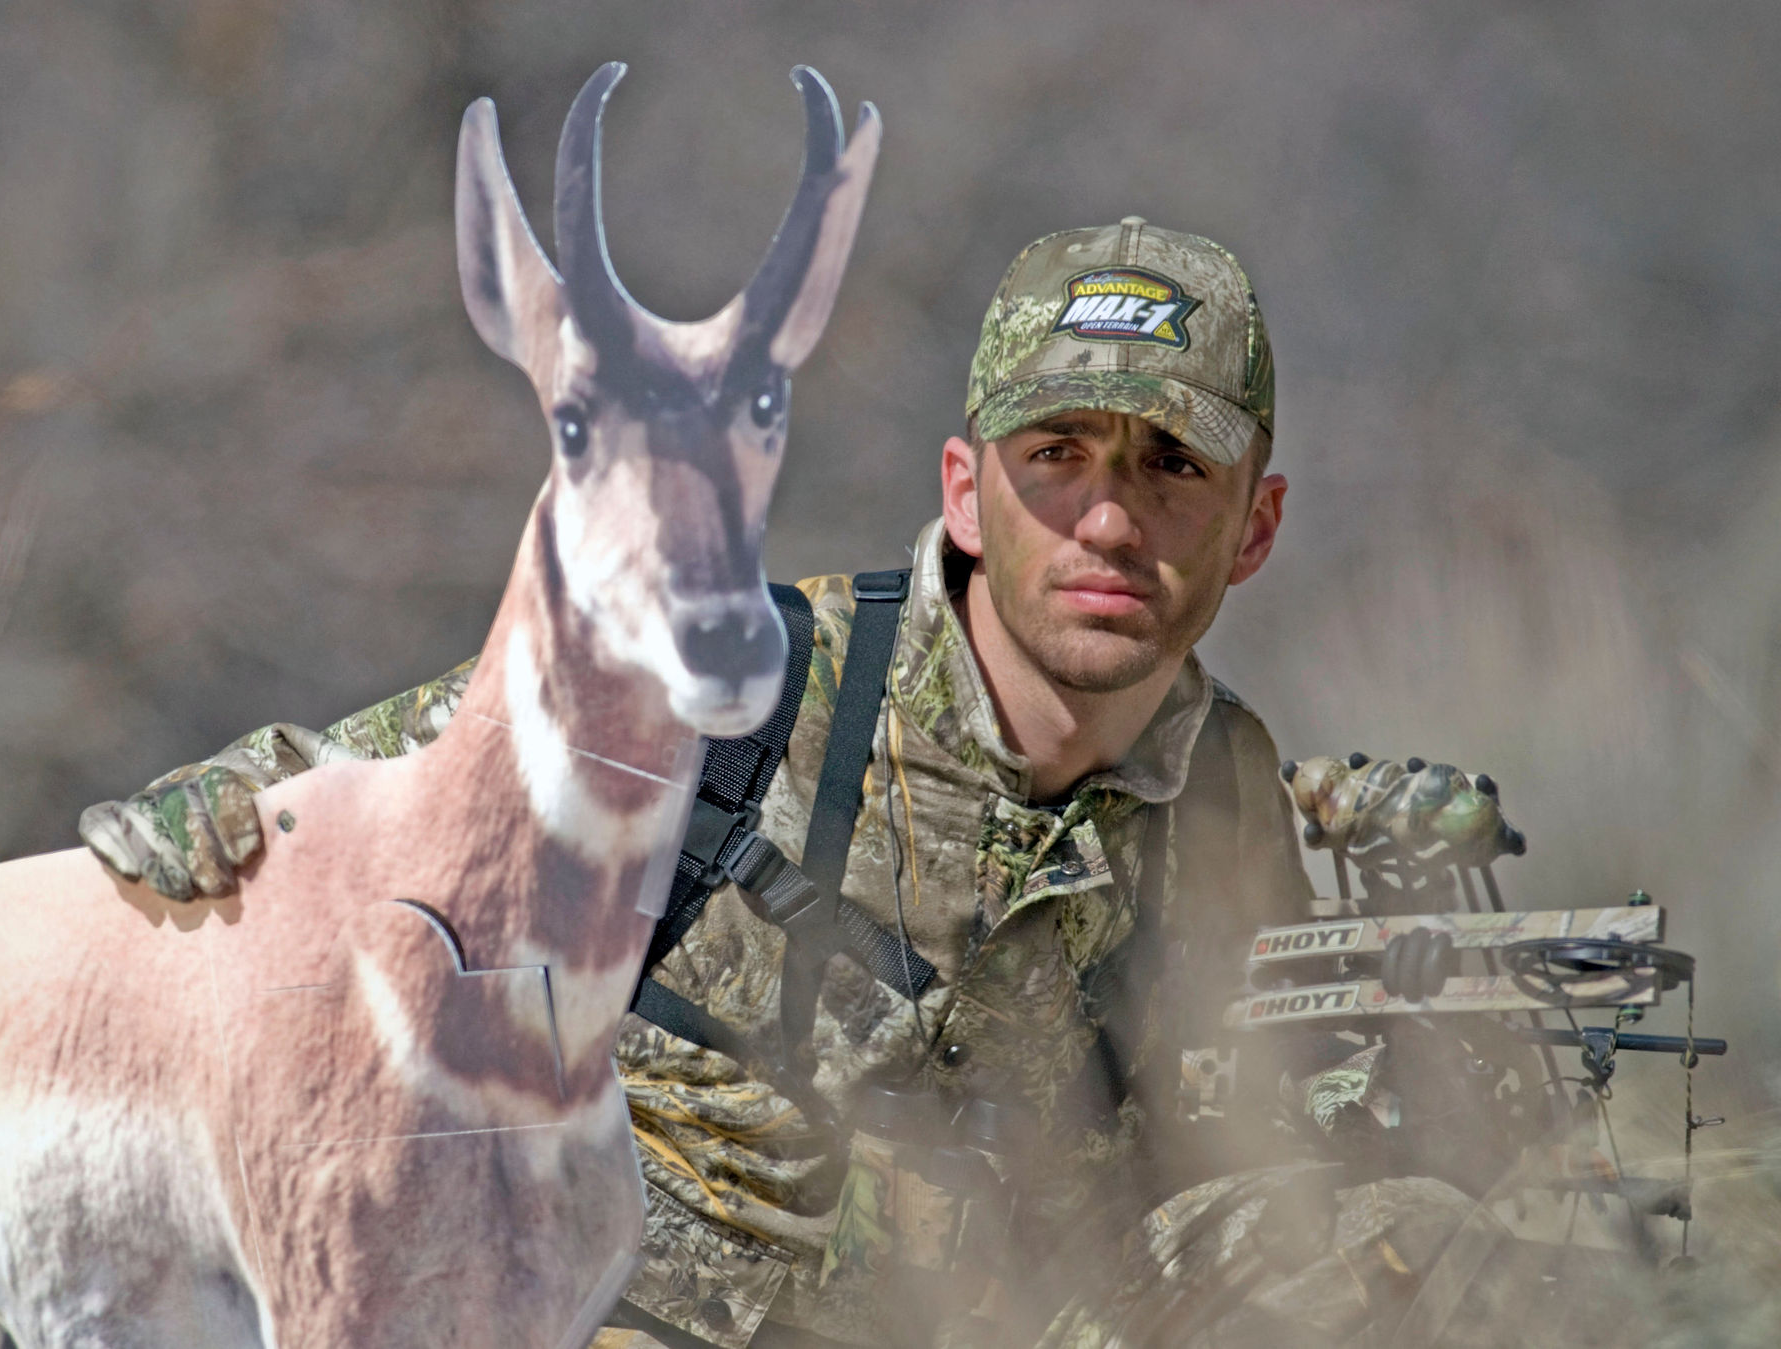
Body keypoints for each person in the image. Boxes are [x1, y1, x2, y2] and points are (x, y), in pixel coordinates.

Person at [81, 219, 1428, 1348]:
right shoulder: (730, 688)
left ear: (1256, 524)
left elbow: (1236, 1158)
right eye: (1057, 456)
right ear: (967, 491)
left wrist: (1420, 1061)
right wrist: (214, 828)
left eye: (1172, 466)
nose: (1111, 520)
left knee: (1423, 1247)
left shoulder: (1227, 796)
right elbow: (336, 792)